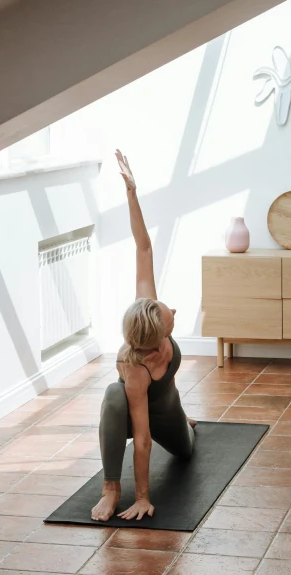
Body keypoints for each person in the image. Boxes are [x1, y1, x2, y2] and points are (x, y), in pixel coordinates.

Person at [91, 150, 196, 523]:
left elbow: (143, 246)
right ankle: (111, 488)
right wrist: (143, 497)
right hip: (144, 411)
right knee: (113, 396)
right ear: (157, 338)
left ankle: (186, 423)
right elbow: (142, 438)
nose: (173, 312)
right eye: (172, 319)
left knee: (185, 450)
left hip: (170, 410)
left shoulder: (145, 306)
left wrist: (132, 194)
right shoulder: (133, 367)